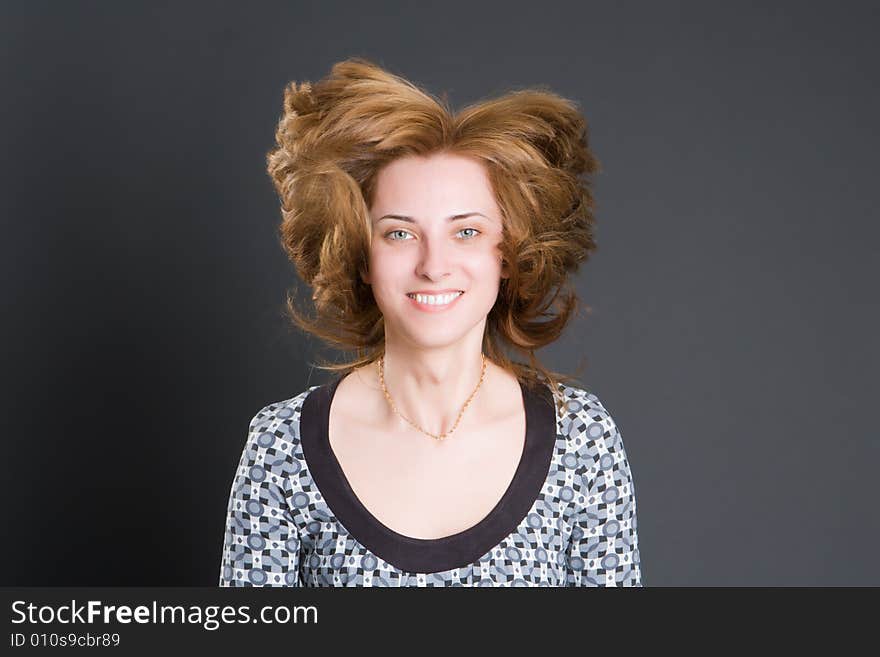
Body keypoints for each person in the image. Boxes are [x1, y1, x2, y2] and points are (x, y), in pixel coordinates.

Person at [218, 57, 643, 586]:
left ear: (506, 254)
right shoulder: (282, 449)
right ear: (360, 255)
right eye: (400, 232)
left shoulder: (581, 442)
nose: (433, 264)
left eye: (465, 232)